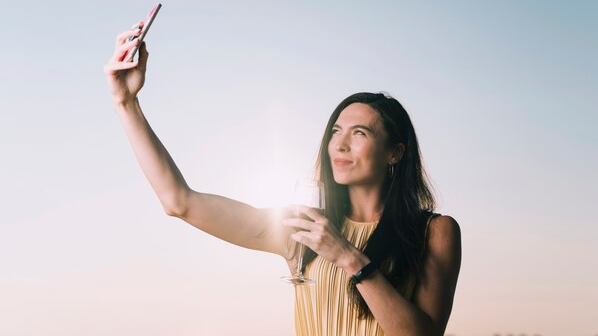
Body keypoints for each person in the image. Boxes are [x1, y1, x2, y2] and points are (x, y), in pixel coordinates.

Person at [103, 22, 462, 336]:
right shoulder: (302, 229)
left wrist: (349, 257)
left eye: (359, 134)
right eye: (336, 131)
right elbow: (178, 201)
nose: (340, 143)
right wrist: (126, 104)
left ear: (395, 153)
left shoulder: (435, 232)